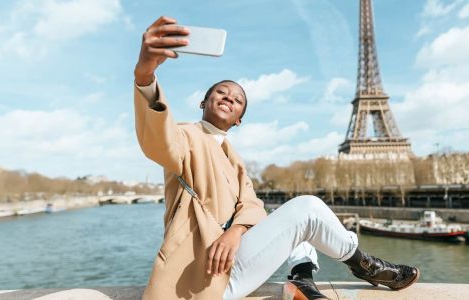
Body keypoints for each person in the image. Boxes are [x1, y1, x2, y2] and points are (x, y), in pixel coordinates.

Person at [134, 16, 420, 300]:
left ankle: (303, 277)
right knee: (307, 208)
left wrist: (235, 231)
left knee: (290, 217)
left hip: (232, 265)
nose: (228, 98)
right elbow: (159, 141)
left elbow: (252, 205)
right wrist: (145, 76)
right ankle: (364, 265)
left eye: (237, 100)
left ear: (239, 120)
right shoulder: (186, 135)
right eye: (221, 92)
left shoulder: (234, 159)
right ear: (203, 103)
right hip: (201, 276)